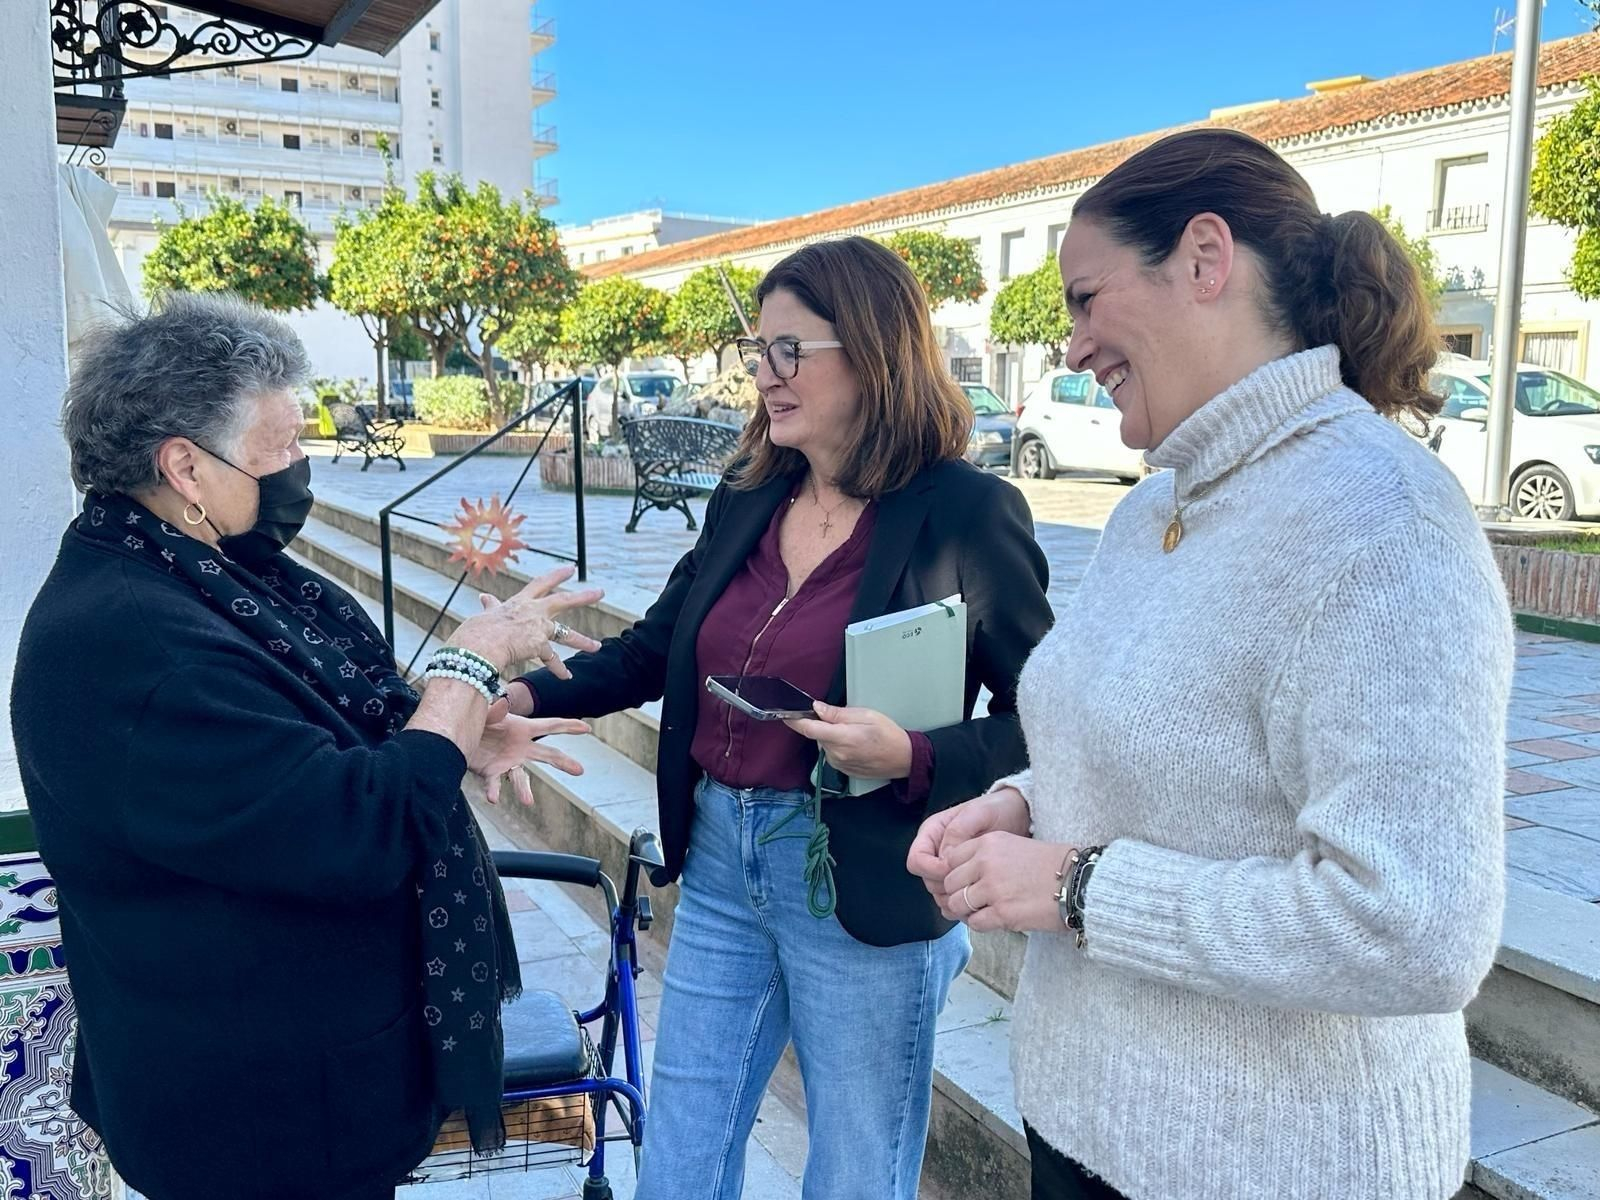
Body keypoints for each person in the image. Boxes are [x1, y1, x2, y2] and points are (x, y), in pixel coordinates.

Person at [909, 128, 1514, 1200]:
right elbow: (1155, 740)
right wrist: (1020, 801)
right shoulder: (1156, 506)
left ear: (1202, 258)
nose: (1072, 346)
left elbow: (1414, 928)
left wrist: (1078, 887)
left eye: (1086, 299)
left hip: (1276, 1168)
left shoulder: (1382, 521)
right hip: (1086, 1127)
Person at [11, 293, 603, 1200]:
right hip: (254, 1122)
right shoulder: (130, 641)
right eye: (279, 446)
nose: (300, 469)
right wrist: (464, 673)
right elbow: (354, 831)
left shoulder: (201, 573)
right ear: (185, 468)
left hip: (299, 1086)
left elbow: (312, 738)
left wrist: (453, 739)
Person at [504, 236, 1054, 1198]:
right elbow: (652, 651)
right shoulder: (751, 493)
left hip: (863, 873)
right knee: (680, 1155)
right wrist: (514, 694)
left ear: (875, 352)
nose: (761, 375)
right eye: (755, 351)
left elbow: (1045, 718)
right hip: (721, 859)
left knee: (854, 1171)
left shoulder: (967, 513)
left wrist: (915, 753)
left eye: (788, 351)